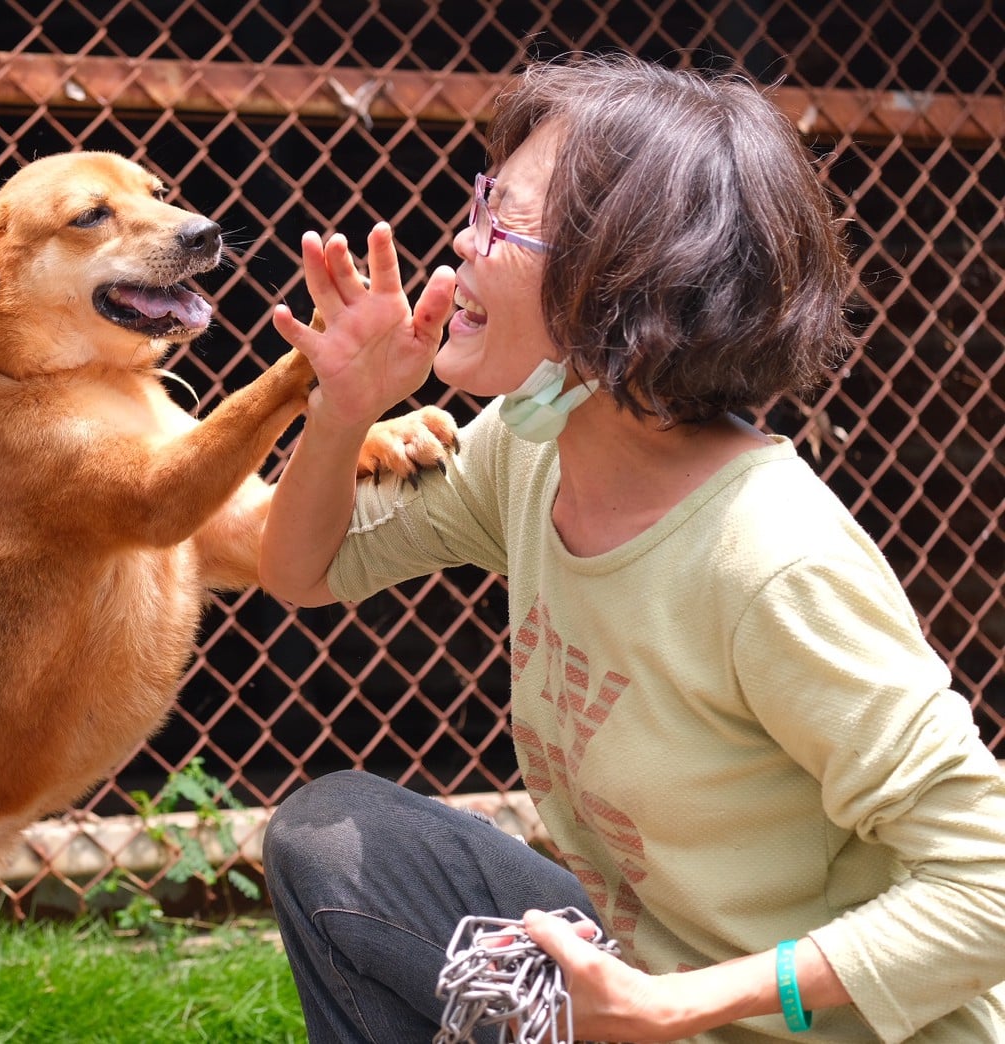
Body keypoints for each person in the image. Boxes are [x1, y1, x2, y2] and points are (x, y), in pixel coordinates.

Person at [257, 52, 1005, 1043]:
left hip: (775, 1022)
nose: (462, 240)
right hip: (640, 997)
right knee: (337, 841)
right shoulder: (528, 450)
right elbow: (302, 569)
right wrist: (343, 411)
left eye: (502, 216)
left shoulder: (769, 561)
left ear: (622, 276)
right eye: (482, 201)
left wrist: (680, 1004)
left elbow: (987, 886)